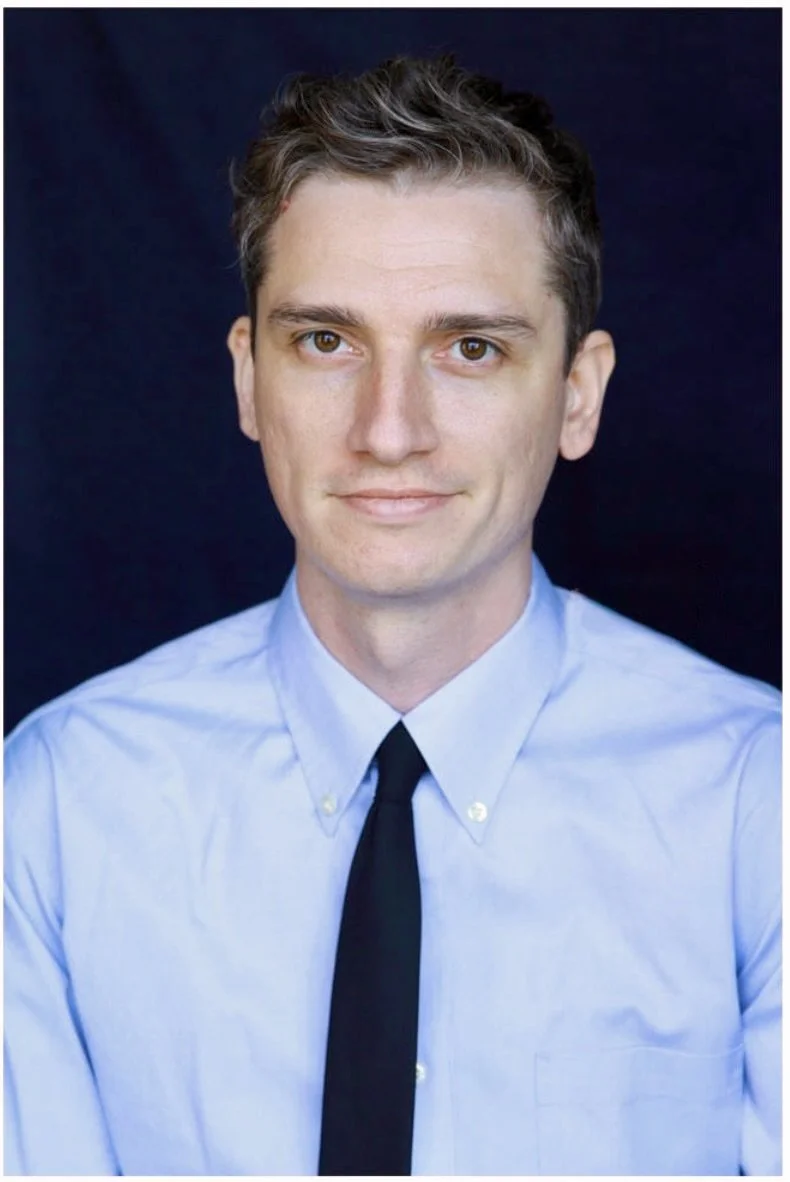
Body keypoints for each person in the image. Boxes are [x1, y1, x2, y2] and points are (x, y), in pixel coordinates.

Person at [4, 55, 780, 1177]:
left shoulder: (757, 812)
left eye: (471, 348)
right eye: (326, 340)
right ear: (246, 381)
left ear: (577, 395)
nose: (388, 428)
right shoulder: (58, 810)